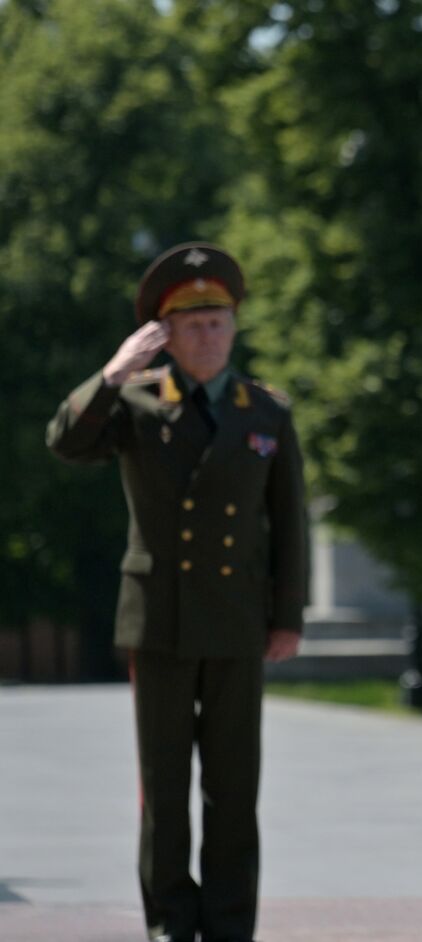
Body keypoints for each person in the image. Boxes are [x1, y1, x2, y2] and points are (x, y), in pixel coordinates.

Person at [47, 243, 306, 942]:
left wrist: (287, 618)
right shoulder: (134, 404)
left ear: (235, 327)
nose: (208, 336)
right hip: (158, 619)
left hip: (234, 621)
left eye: (219, 322)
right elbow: (65, 442)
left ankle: (228, 926)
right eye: (191, 325)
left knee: (233, 788)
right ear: (163, 335)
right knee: (163, 790)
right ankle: (169, 923)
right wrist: (112, 372)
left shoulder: (266, 413)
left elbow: (289, 525)